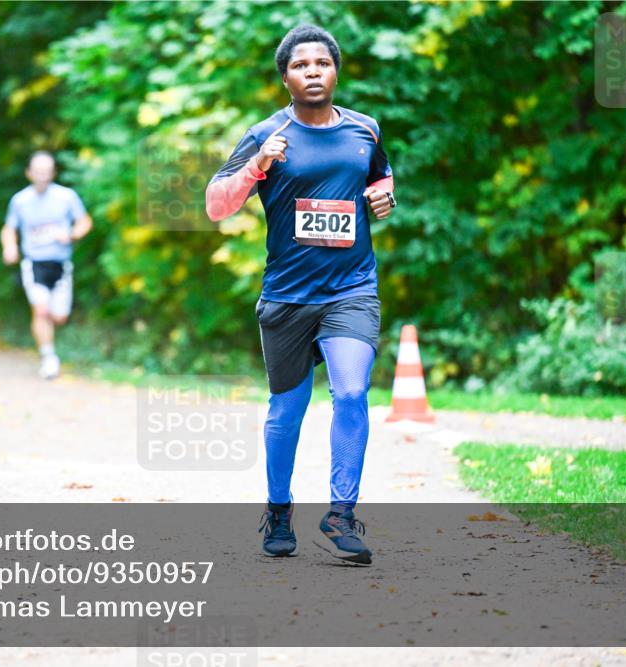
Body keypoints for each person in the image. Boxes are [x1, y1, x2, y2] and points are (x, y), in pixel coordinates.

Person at [206, 25, 396, 565]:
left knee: (353, 392)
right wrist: (258, 164)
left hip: (351, 289)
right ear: (285, 77)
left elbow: (380, 177)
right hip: (288, 295)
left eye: (322, 63)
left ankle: (341, 514)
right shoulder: (265, 132)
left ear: (336, 70)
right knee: (287, 411)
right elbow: (216, 205)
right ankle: (279, 509)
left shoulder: (365, 129)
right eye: (300, 65)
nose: (312, 71)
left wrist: (383, 197)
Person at [1, 151, 93, 379]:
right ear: (29, 173)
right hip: (34, 264)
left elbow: (84, 221)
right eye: (38, 171)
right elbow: (9, 228)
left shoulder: (66, 197)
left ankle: (50, 338)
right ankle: (49, 356)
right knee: (41, 310)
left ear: (53, 172)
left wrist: (71, 234)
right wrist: (10, 247)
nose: (42, 175)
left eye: (47, 171)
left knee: (58, 316)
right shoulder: (20, 201)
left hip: (61, 264)